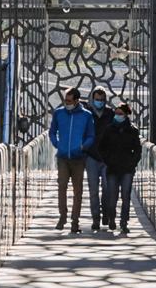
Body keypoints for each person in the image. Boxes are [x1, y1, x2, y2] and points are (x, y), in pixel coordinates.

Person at [48, 87, 95, 234]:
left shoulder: (86, 116)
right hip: (62, 157)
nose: (66, 103)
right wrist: (57, 144)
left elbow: (90, 135)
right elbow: (52, 131)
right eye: (65, 100)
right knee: (62, 186)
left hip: (78, 158)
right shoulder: (59, 113)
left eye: (69, 100)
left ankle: (75, 221)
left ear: (76, 100)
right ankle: (63, 216)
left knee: (78, 191)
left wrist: (83, 146)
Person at [98, 101, 142, 235]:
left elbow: (138, 150)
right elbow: (102, 147)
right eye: (116, 113)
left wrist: (132, 163)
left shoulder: (132, 130)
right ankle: (112, 218)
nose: (117, 115)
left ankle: (124, 222)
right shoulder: (109, 129)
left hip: (127, 169)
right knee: (112, 196)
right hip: (112, 168)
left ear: (126, 114)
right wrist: (107, 161)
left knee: (126, 196)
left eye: (120, 113)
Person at [82, 86, 114, 232]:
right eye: (97, 99)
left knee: (108, 189)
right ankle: (96, 218)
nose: (99, 102)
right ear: (92, 99)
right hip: (91, 157)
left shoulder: (110, 114)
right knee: (93, 190)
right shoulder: (87, 114)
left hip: (107, 158)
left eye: (102, 100)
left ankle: (106, 214)